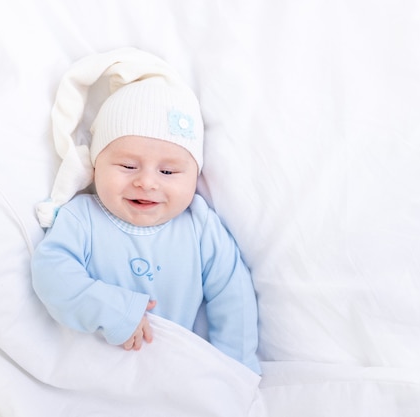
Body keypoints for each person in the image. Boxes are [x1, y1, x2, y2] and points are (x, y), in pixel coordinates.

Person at [31, 48, 261, 375]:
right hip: (94, 371)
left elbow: (233, 296)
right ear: (96, 167)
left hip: (176, 373)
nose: (147, 182)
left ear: (195, 176)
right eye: (127, 165)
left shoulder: (199, 226)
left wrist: (235, 369)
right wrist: (113, 310)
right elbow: (51, 273)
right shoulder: (82, 218)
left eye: (168, 172)